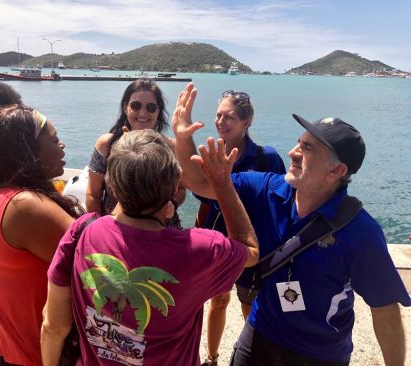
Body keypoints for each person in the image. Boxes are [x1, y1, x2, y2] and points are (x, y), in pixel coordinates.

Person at [173, 83, 410, 366]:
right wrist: (182, 137)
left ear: (337, 170)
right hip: (259, 335)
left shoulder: (360, 232)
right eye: (299, 142)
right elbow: (199, 183)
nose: (293, 152)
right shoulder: (266, 190)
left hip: (320, 353)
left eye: (307, 148)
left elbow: (384, 307)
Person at [42, 129, 259, 365]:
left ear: (112, 186)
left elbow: (54, 326)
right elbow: (250, 250)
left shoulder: (82, 231)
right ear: (176, 185)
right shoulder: (200, 249)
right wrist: (222, 183)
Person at [0, 105, 84, 365]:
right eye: (53, 139)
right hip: (33, 349)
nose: (62, 144)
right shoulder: (24, 206)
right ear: (28, 151)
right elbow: (95, 261)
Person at [199, 90, 286, 366]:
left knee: (250, 305)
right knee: (218, 301)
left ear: (247, 122)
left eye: (229, 117)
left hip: (253, 244)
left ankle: (256, 356)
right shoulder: (213, 153)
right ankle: (212, 358)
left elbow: (282, 200)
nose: (220, 122)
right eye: (218, 115)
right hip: (219, 239)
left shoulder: (266, 158)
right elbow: (203, 198)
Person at [85, 78, 186, 224]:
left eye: (150, 107)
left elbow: (181, 189)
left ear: (158, 110)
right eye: (136, 106)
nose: (143, 113)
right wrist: (100, 230)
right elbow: (93, 194)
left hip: (162, 232)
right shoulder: (107, 144)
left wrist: (174, 203)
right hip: (117, 232)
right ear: (126, 107)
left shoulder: (171, 147)